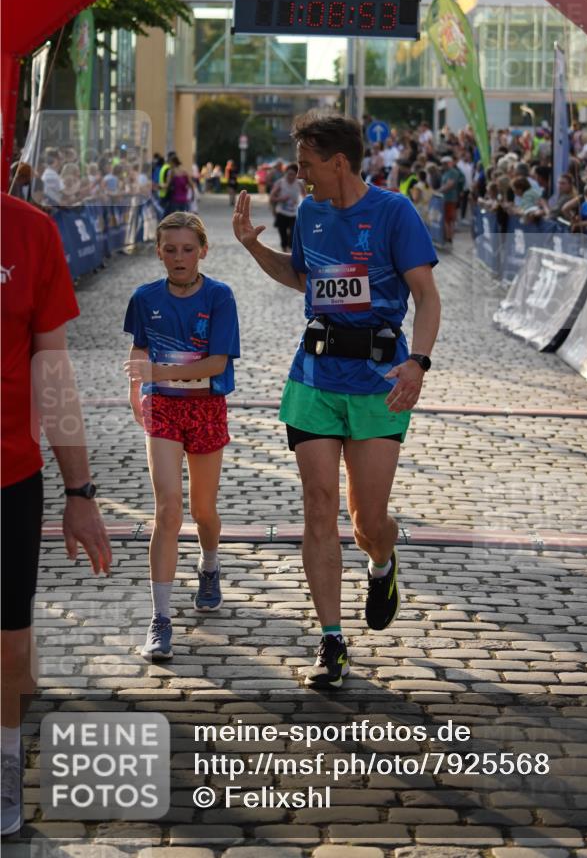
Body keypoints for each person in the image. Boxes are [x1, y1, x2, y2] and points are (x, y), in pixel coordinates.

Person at [233, 111, 440, 690]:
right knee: (319, 508)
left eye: (307, 165)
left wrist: (418, 363)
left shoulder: (394, 212)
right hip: (315, 377)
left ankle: (382, 561)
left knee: (368, 520)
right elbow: (305, 280)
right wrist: (252, 248)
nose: (300, 177)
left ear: (339, 162)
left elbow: (425, 295)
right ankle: (331, 641)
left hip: (378, 381)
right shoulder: (310, 215)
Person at [1, 194, 112, 836]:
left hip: (8, 475)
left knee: (9, 637)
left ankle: (5, 766)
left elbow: (54, 371)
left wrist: (81, 492)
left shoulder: (32, 233)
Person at [123, 212, 240, 661]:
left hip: (207, 405)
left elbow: (216, 364)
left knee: (202, 508)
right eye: (170, 249)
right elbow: (138, 348)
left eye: (187, 249)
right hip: (164, 407)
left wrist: (160, 371)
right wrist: (136, 390)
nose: (179, 257)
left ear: (203, 251)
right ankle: (160, 618)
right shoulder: (144, 297)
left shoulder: (220, 296)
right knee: (168, 509)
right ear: (158, 251)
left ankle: (209, 565)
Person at [269, 162, 304, 251]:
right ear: (285, 173)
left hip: (294, 213)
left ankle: (290, 252)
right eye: (289, 174)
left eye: (293, 174)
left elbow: (305, 196)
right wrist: (281, 199)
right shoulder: (280, 183)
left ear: (296, 175)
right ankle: (284, 249)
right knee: (283, 234)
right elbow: (271, 197)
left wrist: (302, 203)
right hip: (282, 212)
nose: (290, 177)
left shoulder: (299, 184)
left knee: (293, 234)